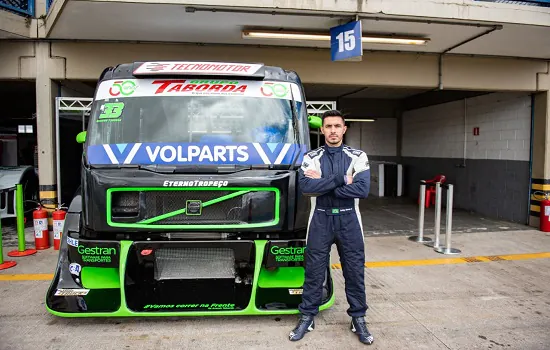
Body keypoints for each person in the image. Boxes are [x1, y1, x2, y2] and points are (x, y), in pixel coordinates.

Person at [289, 110, 374, 345]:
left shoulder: (357, 155)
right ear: (322, 129)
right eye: (329, 126)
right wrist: (342, 179)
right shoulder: (311, 156)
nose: (333, 130)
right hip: (320, 219)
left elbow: (362, 190)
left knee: (354, 272)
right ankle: (307, 316)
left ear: (344, 129)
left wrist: (323, 181)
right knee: (314, 272)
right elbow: (307, 188)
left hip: (349, 220)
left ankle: (358, 318)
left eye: (338, 126)